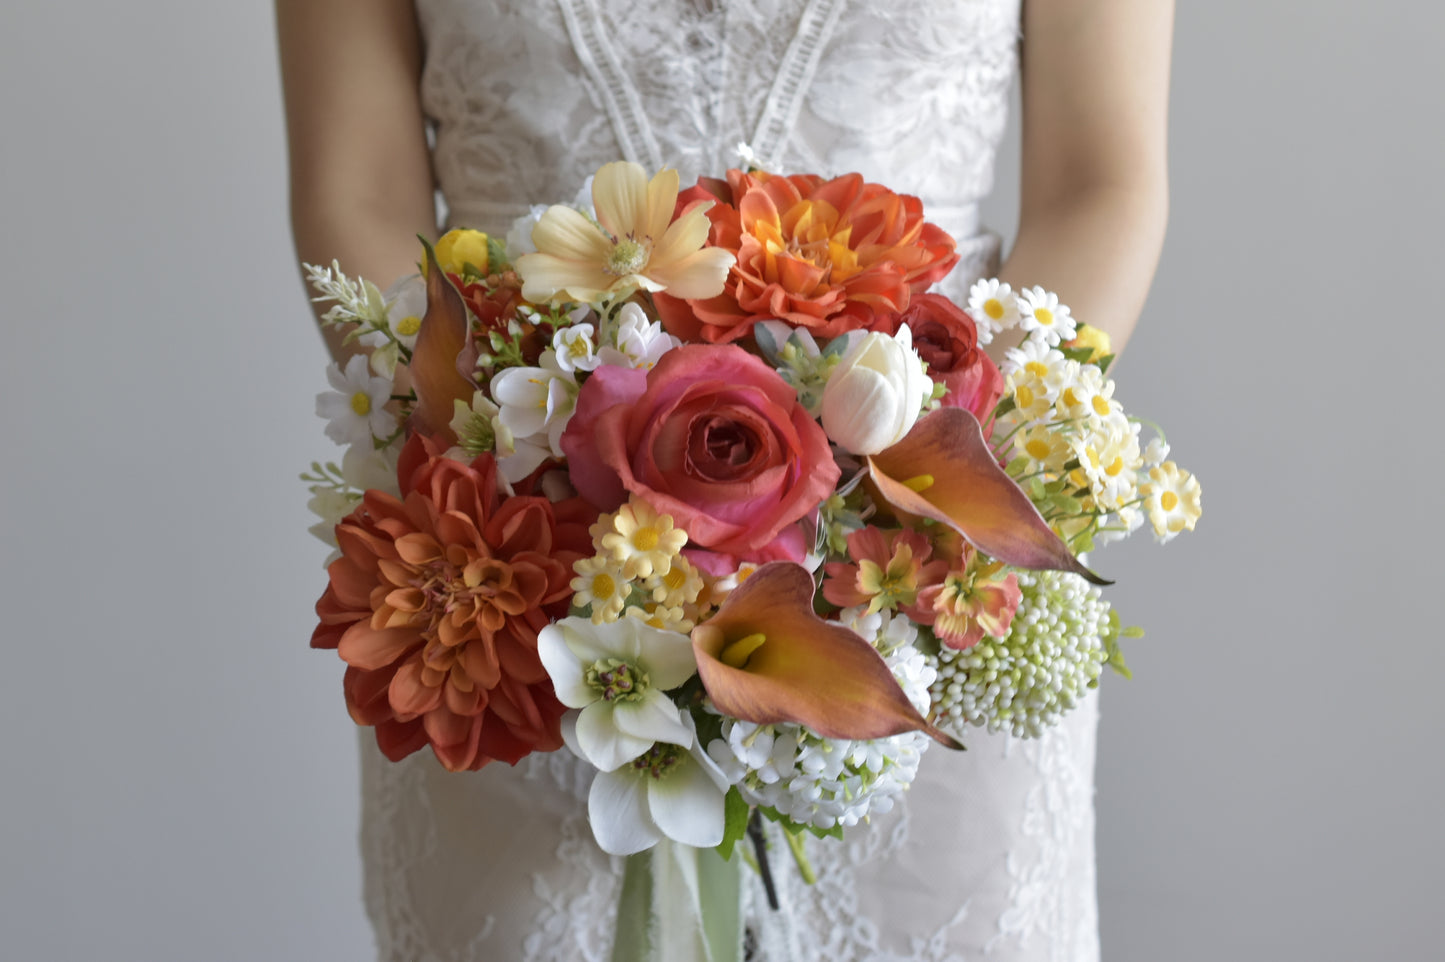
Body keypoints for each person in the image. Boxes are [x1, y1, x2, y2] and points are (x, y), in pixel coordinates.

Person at [278, 1, 1172, 959]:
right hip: (521, 580)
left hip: (921, 587)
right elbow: (359, 194)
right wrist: (526, 482)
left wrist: (910, 504)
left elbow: (1098, 184)